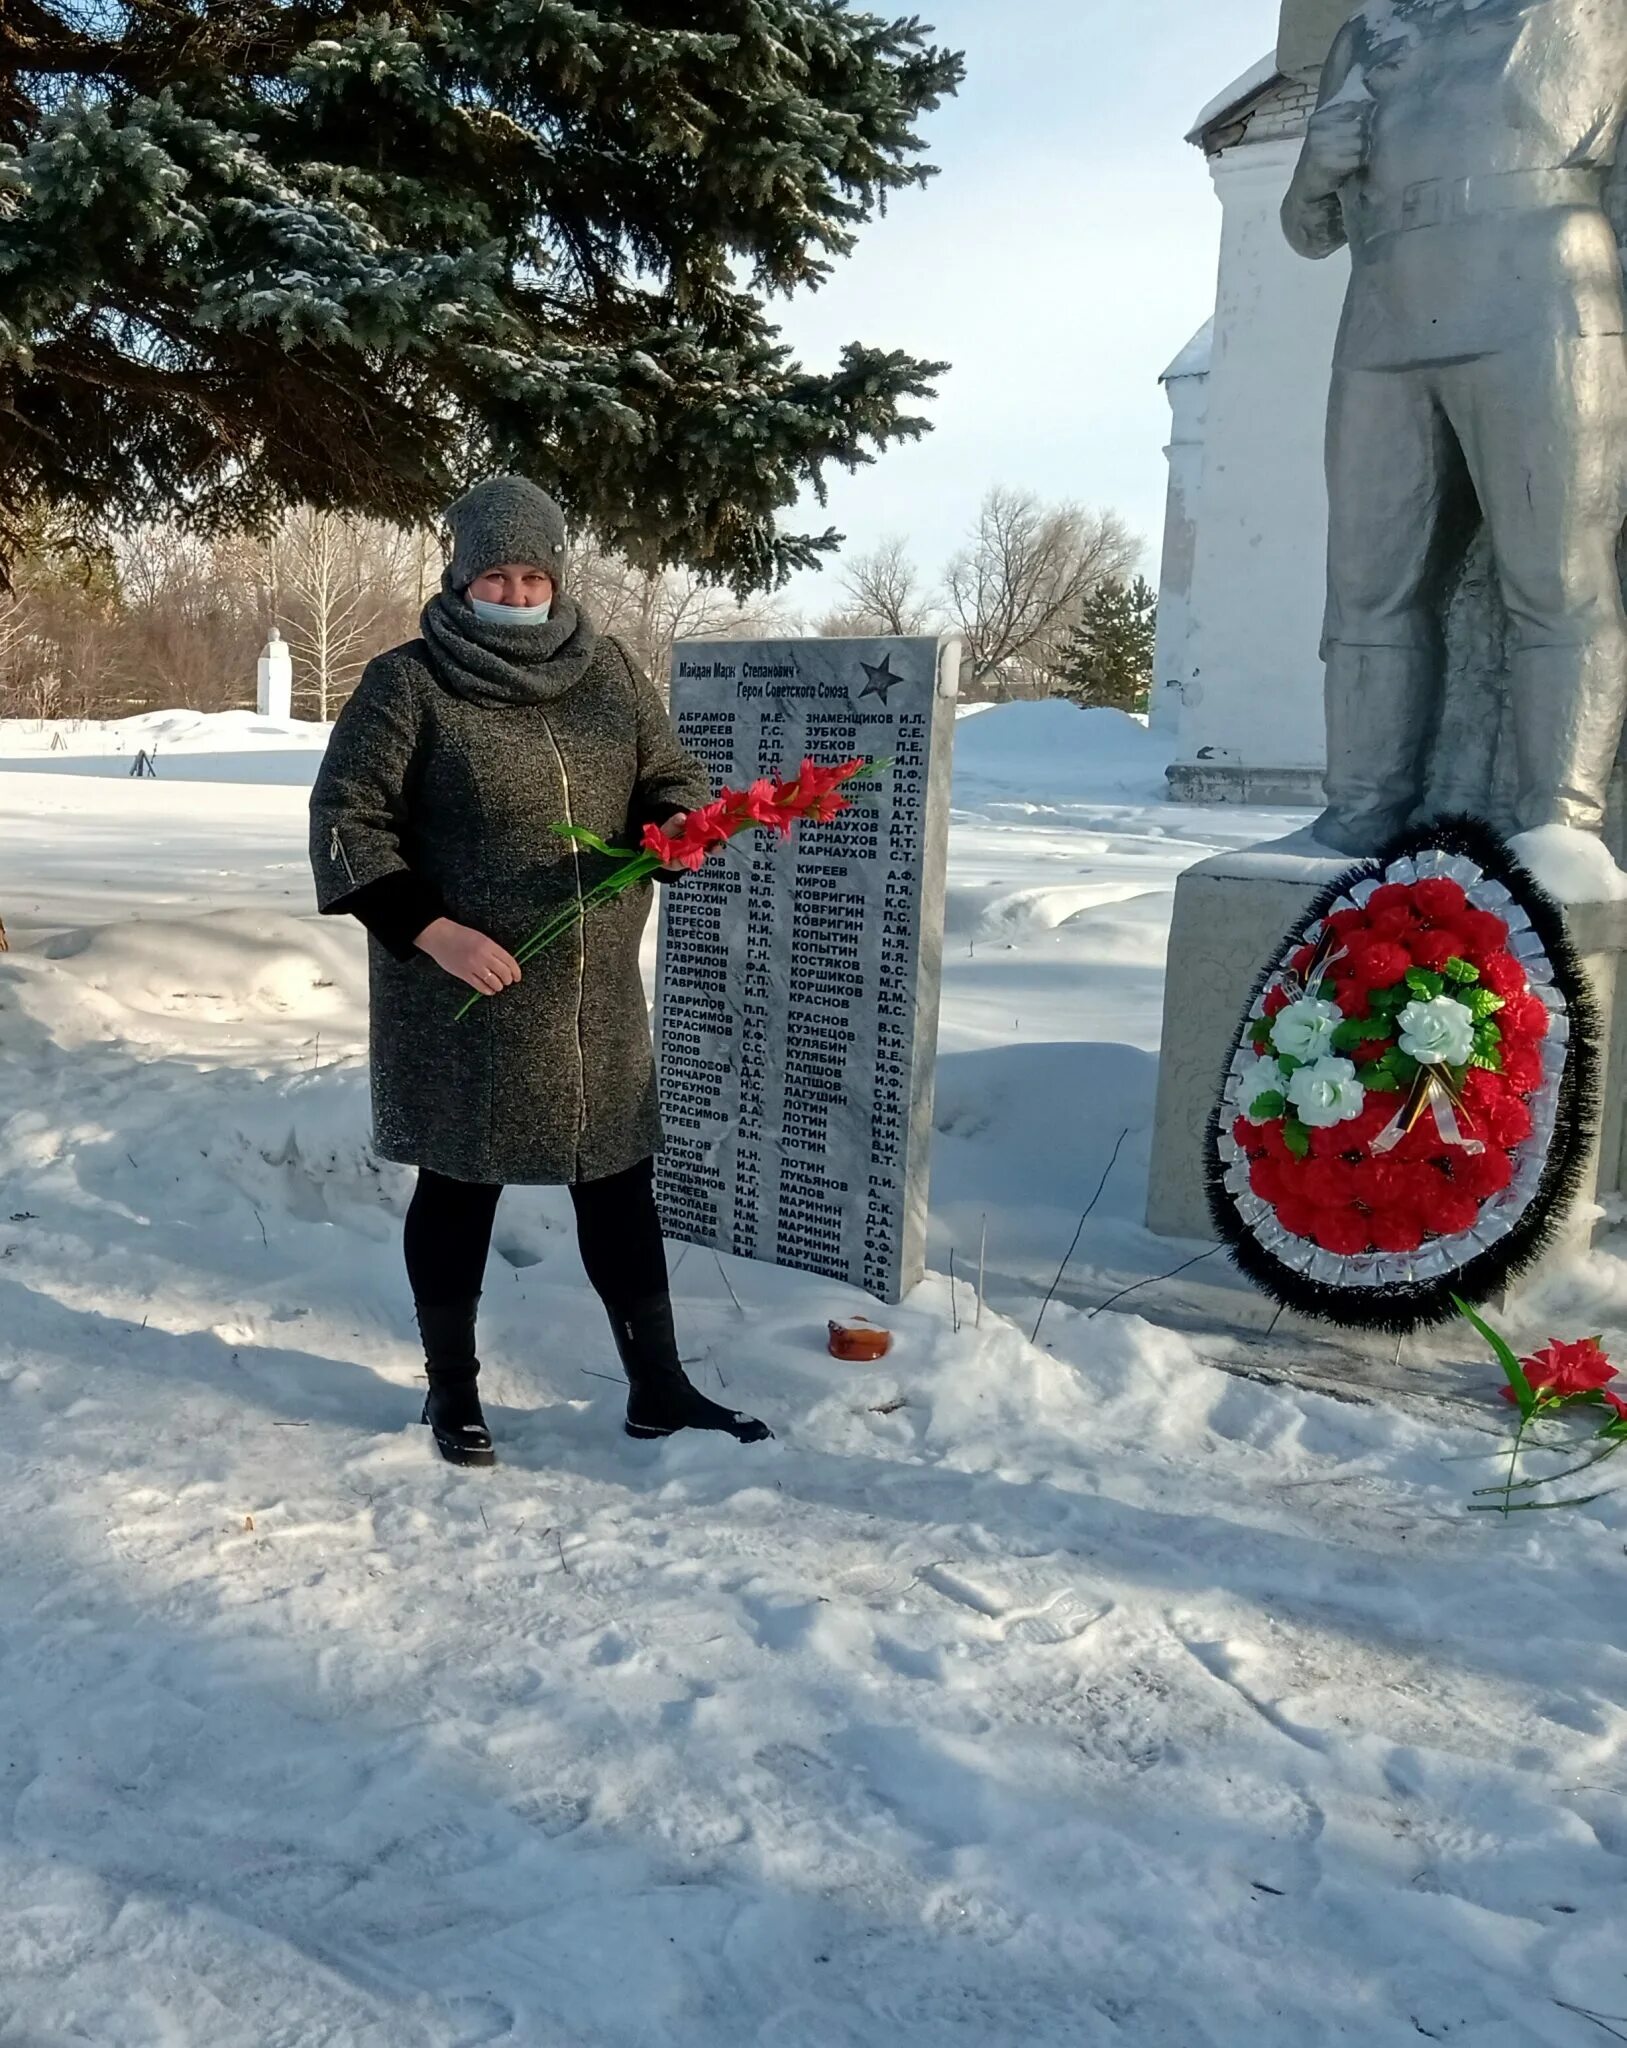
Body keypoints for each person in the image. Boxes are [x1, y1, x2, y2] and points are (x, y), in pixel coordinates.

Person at [308, 475, 770, 1466]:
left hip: (590, 988)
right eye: (497, 575)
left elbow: (669, 776)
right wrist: (432, 930)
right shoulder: (409, 681)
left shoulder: (606, 671)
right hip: (463, 988)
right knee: (460, 1183)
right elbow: (348, 820)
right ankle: (453, 1394)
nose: (516, 593)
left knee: (616, 1182)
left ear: (557, 577)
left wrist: (680, 826)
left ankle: (658, 1387)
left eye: (533, 575)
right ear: (460, 574)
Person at [1282, 0, 1627, 852]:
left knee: (1554, 576)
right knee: (1366, 586)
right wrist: (1309, 176)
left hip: (1540, 301)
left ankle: (1561, 823)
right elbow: (1307, 229)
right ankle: (1359, 809)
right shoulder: (1368, 32)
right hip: (1384, 314)